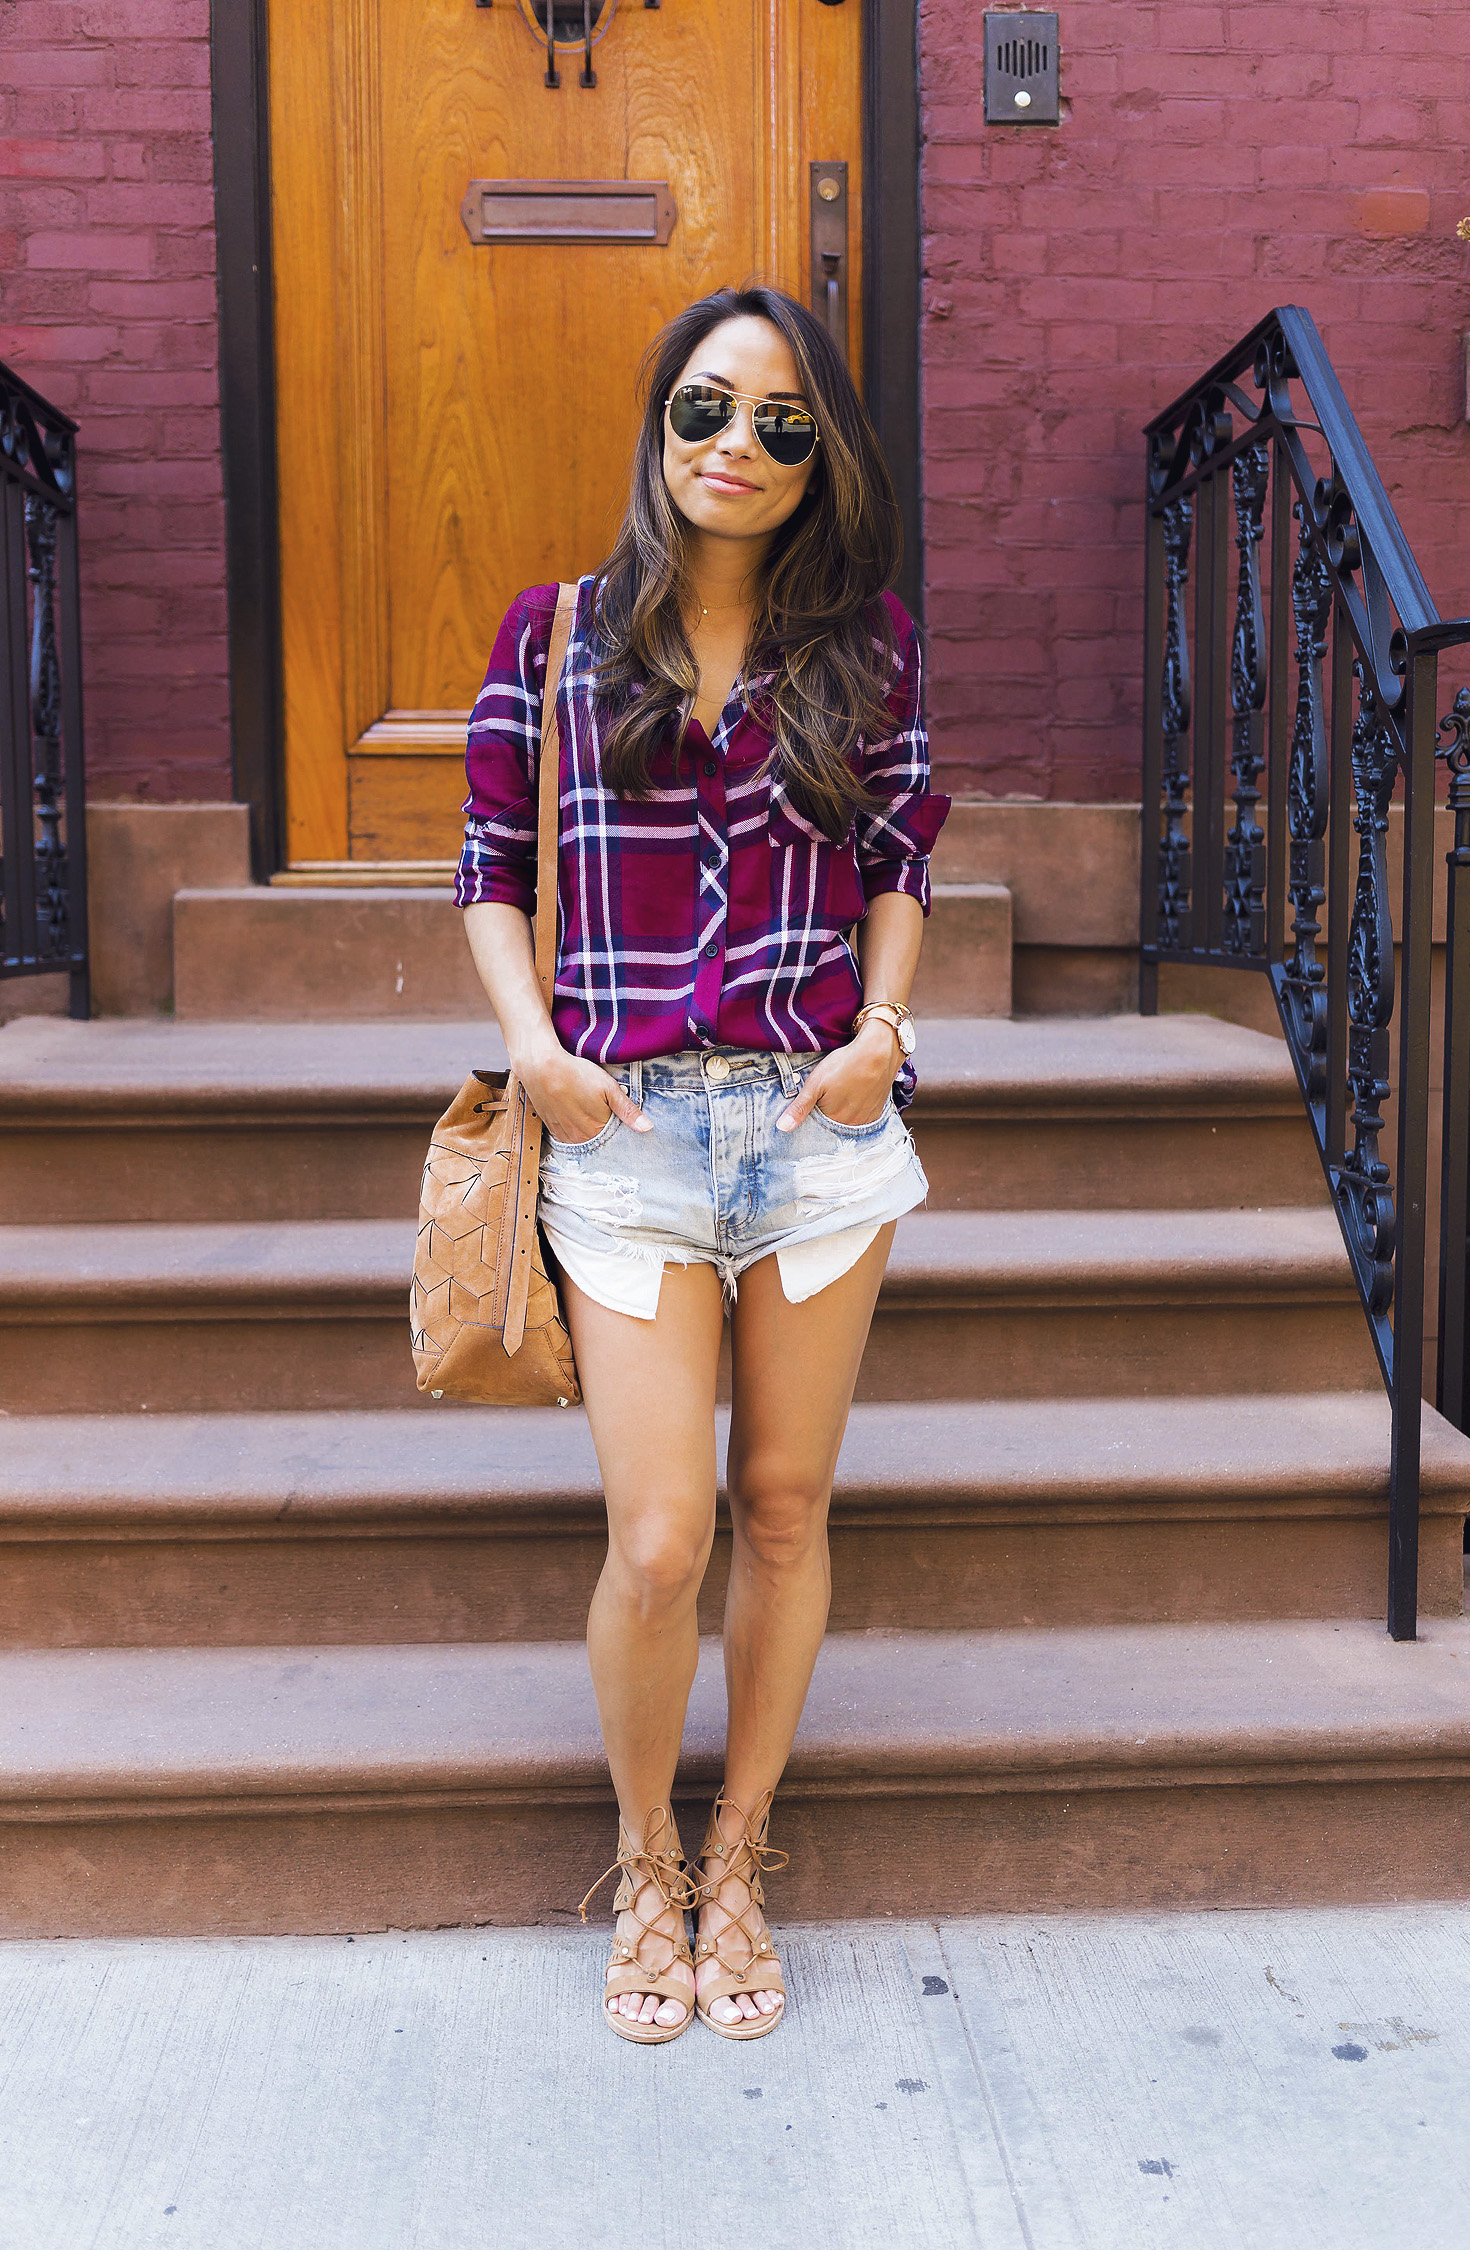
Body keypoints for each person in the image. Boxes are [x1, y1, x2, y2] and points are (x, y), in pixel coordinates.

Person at [456, 283, 949, 2043]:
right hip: (633, 1127)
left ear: (826, 463)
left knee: (789, 1507)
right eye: (705, 409)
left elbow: (899, 852)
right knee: (663, 1537)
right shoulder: (557, 632)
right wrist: (537, 1051)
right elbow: (494, 868)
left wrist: (885, 1028)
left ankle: (741, 1853)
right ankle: (645, 1851)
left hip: (819, 1132)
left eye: (782, 424)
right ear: (660, 423)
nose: (736, 447)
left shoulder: (866, 641)